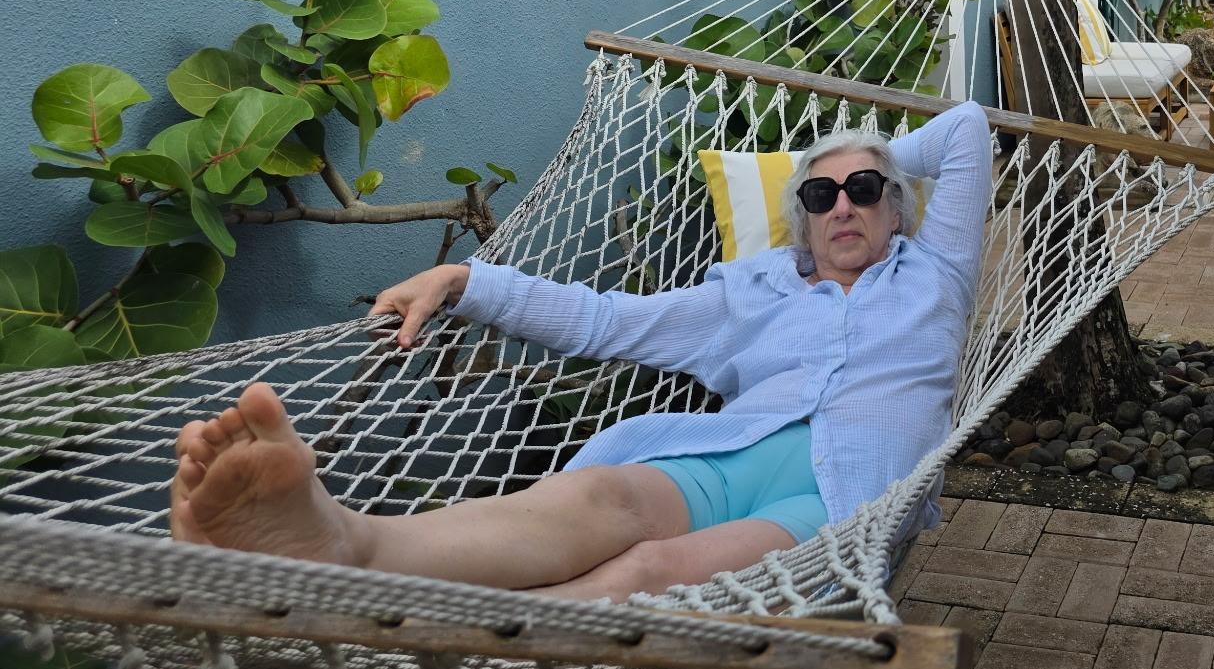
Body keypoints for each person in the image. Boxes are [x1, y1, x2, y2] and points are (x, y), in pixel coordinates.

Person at [167, 100, 993, 600]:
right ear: (801, 217)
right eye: (821, 192)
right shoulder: (752, 293)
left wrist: (879, 155)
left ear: (896, 209)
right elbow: (605, 320)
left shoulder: (938, 272)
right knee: (604, 497)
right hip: (729, 459)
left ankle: (397, 611)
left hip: (848, 499)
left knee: (650, 574)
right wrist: (466, 281)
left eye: (865, 191)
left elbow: (964, 130)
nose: (844, 204)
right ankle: (347, 542)